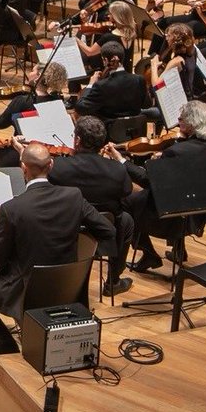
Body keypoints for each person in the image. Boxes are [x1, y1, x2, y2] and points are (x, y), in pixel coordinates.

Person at [0, 143, 114, 357]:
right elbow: (108, 230)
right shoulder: (74, 196)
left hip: (26, 291)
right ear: (52, 164)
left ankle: (3, 341)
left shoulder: (12, 209)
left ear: (23, 169)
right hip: (66, 285)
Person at [108, 100, 206, 272]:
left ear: (192, 124)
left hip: (174, 213)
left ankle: (149, 254)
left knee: (124, 203)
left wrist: (121, 160)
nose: (178, 121)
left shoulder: (178, 151)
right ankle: (179, 249)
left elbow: (148, 180)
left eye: (181, 119)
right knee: (183, 185)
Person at [46, 116, 134, 295]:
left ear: (77, 140)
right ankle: (113, 281)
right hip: (103, 234)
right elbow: (126, 192)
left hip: (65, 233)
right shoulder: (117, 169)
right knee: (126, 220)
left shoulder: (58, 167)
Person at [0, 61, 69, 166]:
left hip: (23, 151)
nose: (29, 73)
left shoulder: (23, 101)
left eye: (32, 70)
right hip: (47, 152)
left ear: (38, 76)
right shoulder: (57, 100)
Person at [73, 40, 149, 120]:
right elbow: (147, 104)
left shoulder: (101, 86)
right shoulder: (139, 79)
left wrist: (90, 85)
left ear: (105, 60)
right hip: (137, 129)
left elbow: (81, 108)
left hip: (110, 130)